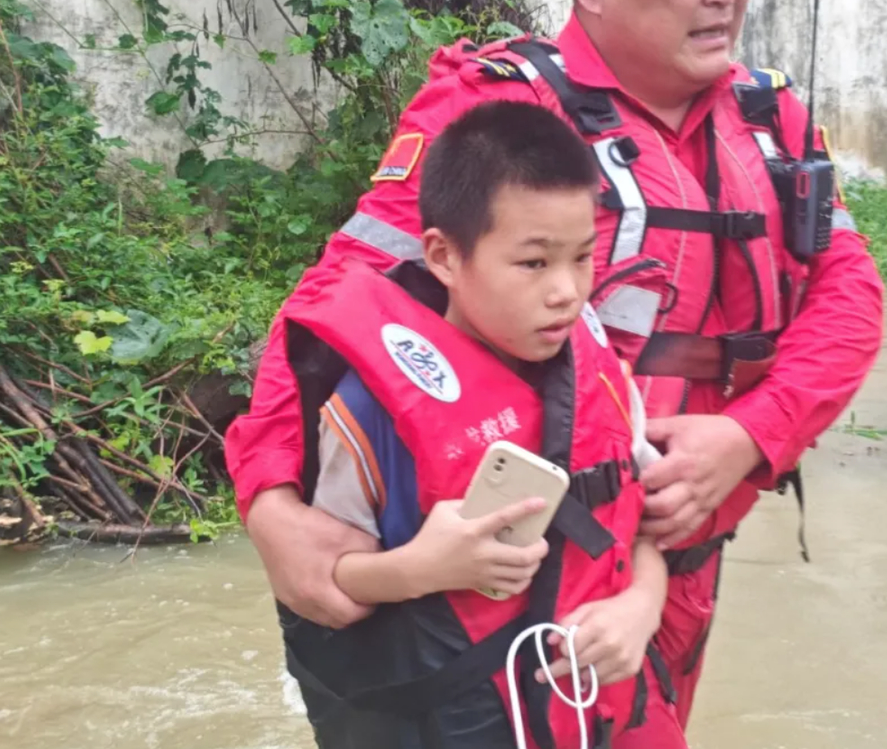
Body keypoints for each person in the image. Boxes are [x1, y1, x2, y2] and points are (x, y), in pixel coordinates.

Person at [228, 0, 885, 736]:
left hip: (680, 544)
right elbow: (339, 299)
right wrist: (270, 500)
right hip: (542, 561)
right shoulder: (500, 111)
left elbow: (849, 295)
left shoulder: (770, 118)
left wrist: (752, 436)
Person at [271, 100, 686, 748]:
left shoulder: (601, 372)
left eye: (582, 258)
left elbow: (640, 523)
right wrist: (421, 568)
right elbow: (327, 579)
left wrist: (642, 607)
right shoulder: (369, 413)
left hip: (586, 717)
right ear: (443, 256)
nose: (567, 292)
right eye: (533, 263)